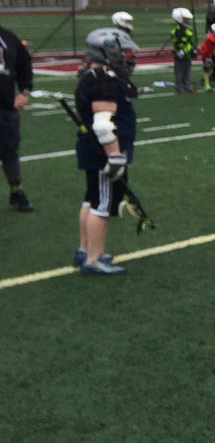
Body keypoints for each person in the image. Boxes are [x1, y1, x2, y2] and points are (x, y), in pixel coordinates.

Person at [73, 27, 139, 274]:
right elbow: (103, 125)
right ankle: (94, 258)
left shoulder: (95, 75)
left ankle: (85, 250)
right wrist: (115, 156)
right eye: (123, 50)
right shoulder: (104, 81)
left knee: (92, 200)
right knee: (102, 205)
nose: (127, 55)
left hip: (94, 150)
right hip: (102, 153)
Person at [0, 18, 34, 212]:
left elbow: (25, 64)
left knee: (10, 152)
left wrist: (24, 92)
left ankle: (16, 192)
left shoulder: (8, 37)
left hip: (5, 109)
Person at [169, 7, 196, 95]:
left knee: (186, 71)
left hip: (187, 54)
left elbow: (190, 42)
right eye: (186, 19)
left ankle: (187, 86)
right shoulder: (177, 30)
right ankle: (179, 88)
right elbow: (178, 42)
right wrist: (181, 51)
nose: (188, 20)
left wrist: (193, 50)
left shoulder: (187, 30)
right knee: (179, 72)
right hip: (180, 54)